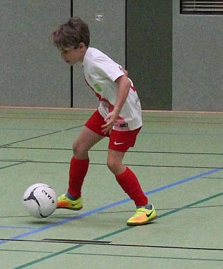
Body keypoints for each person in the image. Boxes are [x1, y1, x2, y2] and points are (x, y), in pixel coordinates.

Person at [50, 17, 156, 226]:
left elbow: (124, 81)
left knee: (113, 162)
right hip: (108, 109)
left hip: (124, 115)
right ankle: (73, 197)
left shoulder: (95, 60)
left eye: (66, 51)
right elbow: (122, 73)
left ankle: (145, 207)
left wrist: (116, 112)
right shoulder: (88, 60)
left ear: (81, 46)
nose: (63, 56)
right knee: (79, 147)